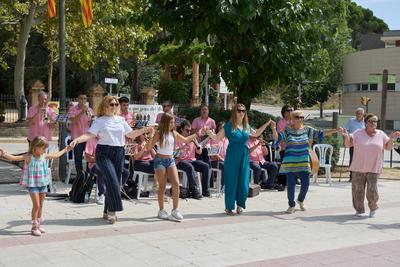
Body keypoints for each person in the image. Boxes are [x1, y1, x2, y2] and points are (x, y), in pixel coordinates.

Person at [69, 96, 153, 224]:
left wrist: (144, 129)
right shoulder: (99, 121)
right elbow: (90, 134)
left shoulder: (120, 120)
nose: (114, 106)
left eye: (116, 104)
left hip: (119, 152)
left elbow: (130, 134)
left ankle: (106, 210)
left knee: (113, 181)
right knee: (113, 181)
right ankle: (112, 211)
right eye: (111, 104)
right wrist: (77, 140)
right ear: (105, 106)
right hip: (104, 153)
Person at [206, 103, 272, 215]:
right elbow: (217, 137)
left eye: (243, 110)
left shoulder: (247, 126)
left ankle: (240, 205)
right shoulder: (228, 126)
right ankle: (229, 207)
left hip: (244, 156)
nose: (241, 112)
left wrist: (267, 124)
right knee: (231, 181)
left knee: (244, 182)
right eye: (239, 110)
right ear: (235, 112)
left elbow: (256, 134)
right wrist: (209, 132)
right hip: (232, 156)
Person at [272, 110, 341, 214]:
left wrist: (335, 130)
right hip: (290, 163)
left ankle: (300, 200)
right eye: (297, 117)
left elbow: (321, 133)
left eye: (302, 117)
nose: (300, 119)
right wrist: (273, 128)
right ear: (292, 119)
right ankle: (291, 205)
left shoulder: (308, 130)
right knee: (290, 185)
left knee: (305, 184)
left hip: (304, 162)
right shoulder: (287, 131)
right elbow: (277, 138)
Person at [0, 136, 70, 236]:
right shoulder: (29, 157)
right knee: (36, 205)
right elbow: (14, 158)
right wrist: (4, 153)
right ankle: (34, 227)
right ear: (35, 147)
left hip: (43, 184)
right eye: (43, 148)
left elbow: (56, 155)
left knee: (41, 205)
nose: (44, 150)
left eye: (45, 148)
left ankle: (38, 224)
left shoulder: (44, 156)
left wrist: (67, 148)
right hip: (33, 185)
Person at [341, 113, 400, 218]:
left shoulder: (381, 134)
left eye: (375, 121)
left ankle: (373, 208)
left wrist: (391, 139)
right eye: (371, 121)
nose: (373, 123)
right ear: (365, 123)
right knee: (358, 190)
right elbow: (348, 144)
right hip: (358, 167)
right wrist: (346, 136)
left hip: (374, 167)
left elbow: (388, 148)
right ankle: (359, 210)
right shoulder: (358, 133)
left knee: (372, 189)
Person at [147, 113, 197, 221]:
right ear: (165, 122)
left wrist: (198, 133)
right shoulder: (159, 133)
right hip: (160, 160)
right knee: (162, 186)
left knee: (176, 184)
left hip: (170, 160)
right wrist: (151, 136)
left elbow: (185, 140)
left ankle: (175, 210)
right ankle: (161, 210)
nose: (173, 124)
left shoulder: (173, 133)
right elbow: (149, 147)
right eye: (171, 122)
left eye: (173, 122)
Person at [175, 120, 210, 199]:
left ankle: (205, 190)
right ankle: (194, 190)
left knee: (206, 166)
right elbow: (176, 154)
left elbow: (199, 152)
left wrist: (197, 146)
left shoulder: (192, 138)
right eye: (187, 130)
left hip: (191, 160)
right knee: (190, 167)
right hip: (180, 161)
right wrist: (183, 149)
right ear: (181, 129)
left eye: (190, 131)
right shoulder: (177, 138)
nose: (189, 132)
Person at [68, 93, 94, 176]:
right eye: (81, 98)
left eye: (85, 99)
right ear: (78, 99)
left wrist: (91, 119)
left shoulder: (89, 110)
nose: (83, 100)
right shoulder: (72, 109)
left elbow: (92, 123)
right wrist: (82, 112)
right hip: (77, 137)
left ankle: (88, 176)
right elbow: (73, 120)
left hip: (87, 137)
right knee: (78, 158)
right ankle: (80, 176)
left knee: (89, 157)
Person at [345, 107, 365, 182]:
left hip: (363, 145)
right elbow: (346, 130)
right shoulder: (351, 121)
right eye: (357, 113)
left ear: (363, 114)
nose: (358, 115)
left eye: (360, 114)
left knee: (362, 160)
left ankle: (361, 176)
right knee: (352, 159)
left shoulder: (365, 122)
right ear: (355, 114)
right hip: (353, 143)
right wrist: (347, 137)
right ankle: (352, 176)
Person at [209, 122, 228, 189]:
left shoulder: (227, 140)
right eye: (221, 128)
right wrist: (223, 160)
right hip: (215, 161)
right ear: (218, 129)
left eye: (224, 128)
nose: (222, 130)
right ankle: (223, 186)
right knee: (225, 166)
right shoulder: (214, 139)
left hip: (225, 161)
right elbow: (213, 154)